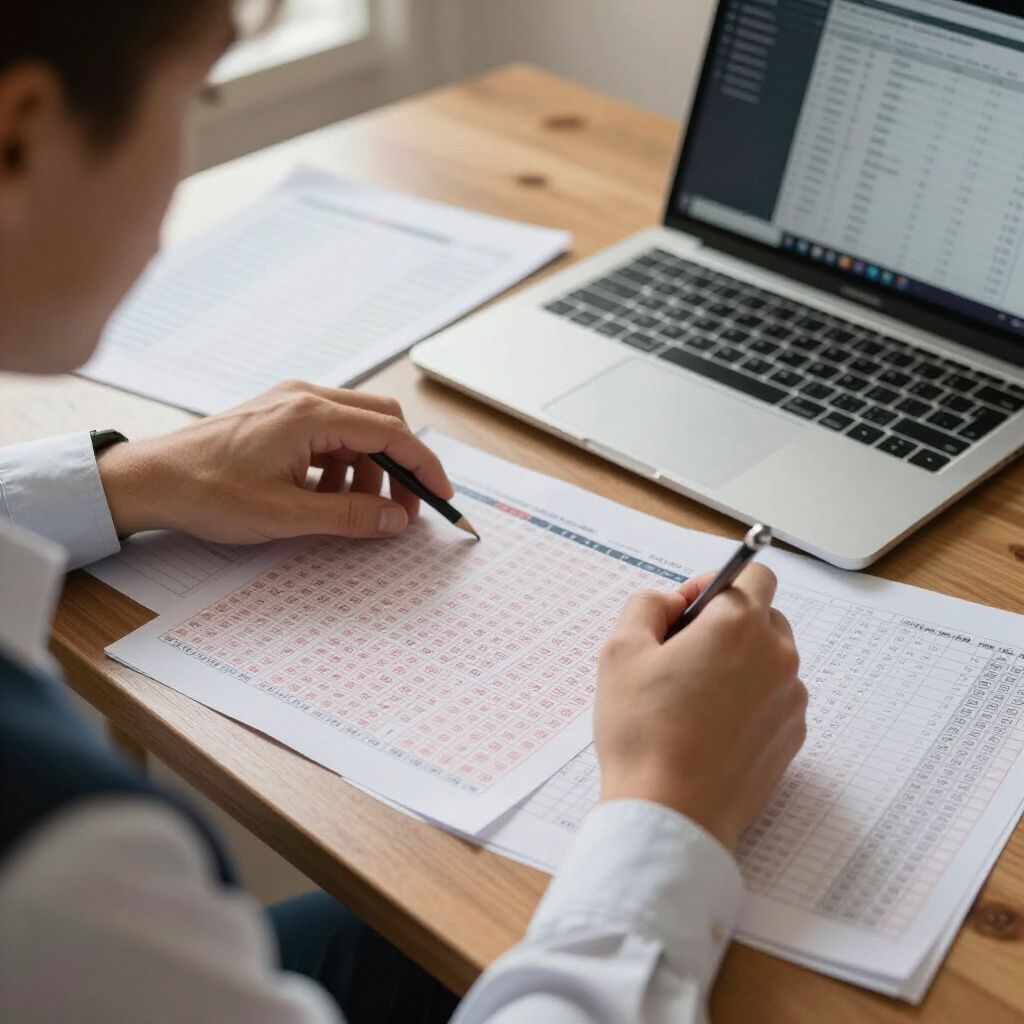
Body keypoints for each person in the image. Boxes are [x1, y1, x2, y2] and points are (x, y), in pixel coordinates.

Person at [0, 3, 809, 1022]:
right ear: (18, 137)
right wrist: (669, 804)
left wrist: (128, 478)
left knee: (399, 937)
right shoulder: (59, 866)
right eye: (197, 95)